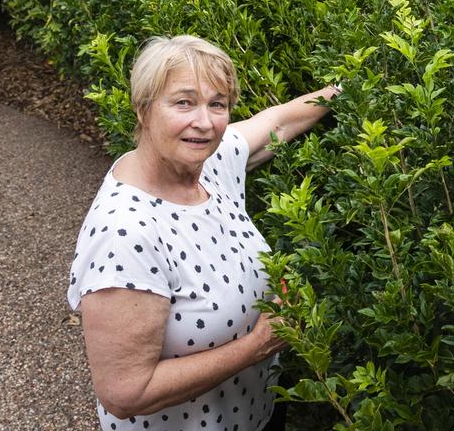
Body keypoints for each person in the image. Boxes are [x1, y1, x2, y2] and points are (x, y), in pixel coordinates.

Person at [67, 35, 339, 431]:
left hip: (257, 413)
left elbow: (277, 122)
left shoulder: (207, 163)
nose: (205, 121)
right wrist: (257, 346)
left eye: (218, 104)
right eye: (183, 102)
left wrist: (346, 89)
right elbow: (126, 392)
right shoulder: (125, 232)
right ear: (142, 109)